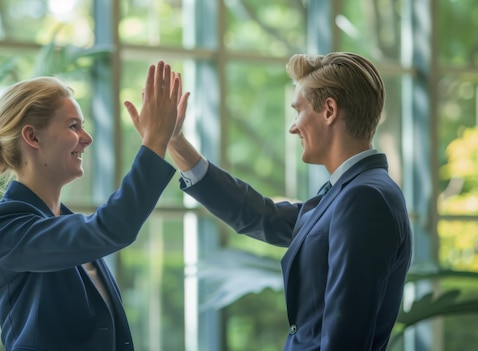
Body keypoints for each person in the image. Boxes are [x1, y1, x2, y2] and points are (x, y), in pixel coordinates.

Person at [145, 52, 413, 350]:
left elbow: (345, 337)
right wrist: (175, 142)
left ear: (329, 111)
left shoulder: (364, 198)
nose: (293, 126)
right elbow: (263, 217)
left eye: (298, 110)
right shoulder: (353, 192)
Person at [0, 61, 185, 350]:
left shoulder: (66, 223)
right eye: (74, 126)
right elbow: (113, 227)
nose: (87, 138)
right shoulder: (3, 227)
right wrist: (155, 142)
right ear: (32, 137)